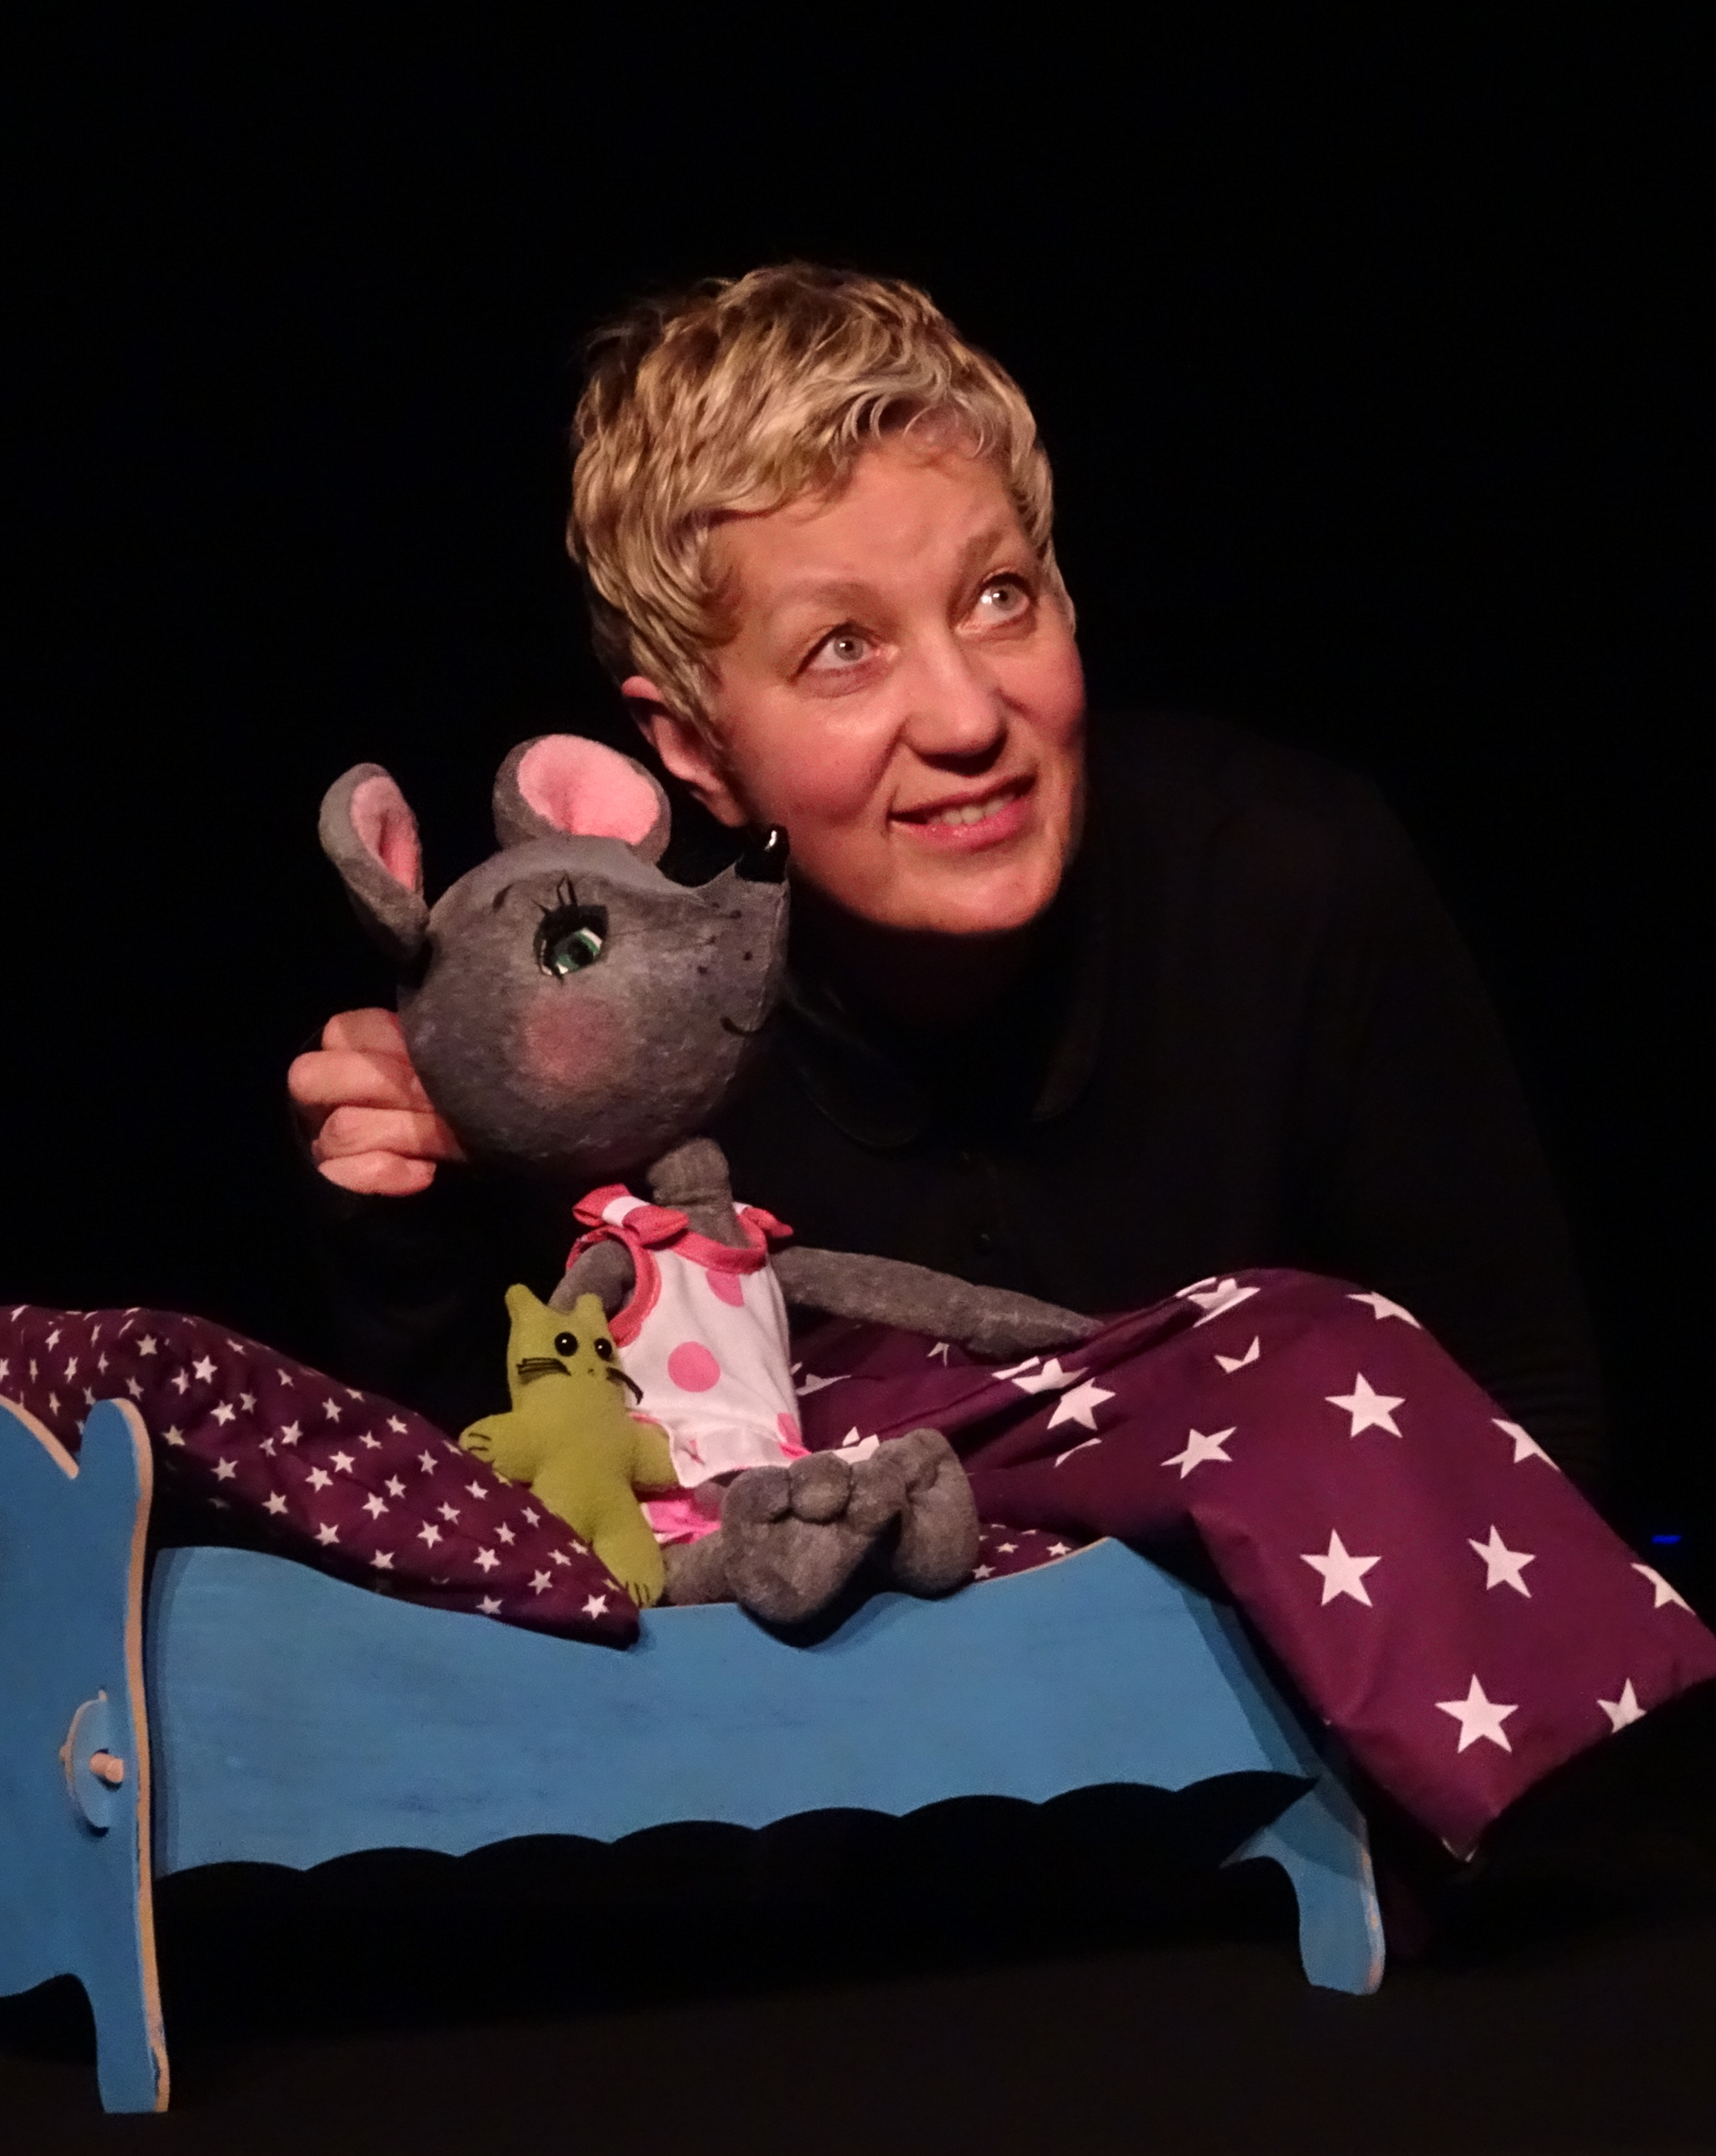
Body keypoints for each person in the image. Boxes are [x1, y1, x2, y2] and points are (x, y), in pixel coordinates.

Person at [288, 264, 1608, 1500]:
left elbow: (1521, 1416)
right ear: (692, 748)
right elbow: (513, 1525)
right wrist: (405, 1233)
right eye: (844, 647)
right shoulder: (595, 1003)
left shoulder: (1287, 878)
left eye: (997, 597)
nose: (969, 716)